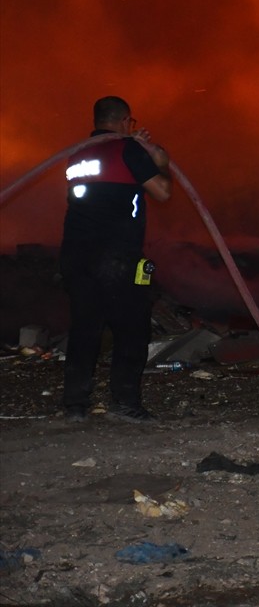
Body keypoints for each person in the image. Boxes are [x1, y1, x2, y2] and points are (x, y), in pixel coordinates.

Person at [60, 96, 172, 423]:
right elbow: (163, 191)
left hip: (76, 255)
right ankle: (126, 403)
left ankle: (75, 406)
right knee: (133, 329)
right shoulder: (129, 150)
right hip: (117, 258)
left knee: (85, 329)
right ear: (125, 121)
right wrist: (157, 159)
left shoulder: (77, 154)